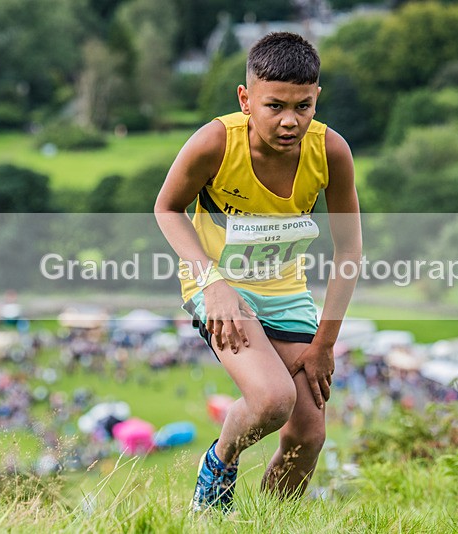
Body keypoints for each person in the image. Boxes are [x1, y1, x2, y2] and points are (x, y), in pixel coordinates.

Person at [155, 32, 362, 512]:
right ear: (246, 99)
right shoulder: (214, 142)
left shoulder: (330, 151)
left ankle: (268, 523)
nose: (290, 120)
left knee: (308, 435)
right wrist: (214, 284)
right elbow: (166, 209)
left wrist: (325, 343)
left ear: (316, 99)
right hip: (218, 288)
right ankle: (219, 462)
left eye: (303, 106)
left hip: (286, 291)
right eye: (275, 106)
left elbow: (349, 249)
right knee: (272, 400)